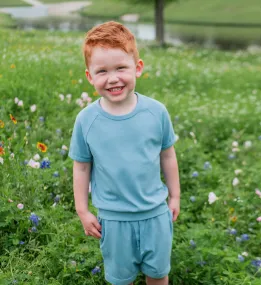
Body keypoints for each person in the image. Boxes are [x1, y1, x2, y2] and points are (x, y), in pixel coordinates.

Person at [68, 21, 180, 285]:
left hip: (155, 212)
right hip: (113, 218)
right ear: (90, 76)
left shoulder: (156, 112)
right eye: (102, 71)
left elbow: (168, 155)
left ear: (137, 68)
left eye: (121, 68)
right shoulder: (87, 119)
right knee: (120, 279)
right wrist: (82, 210)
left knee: (158, 273)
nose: (113, 78)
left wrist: (174, 195)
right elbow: (81, 166)